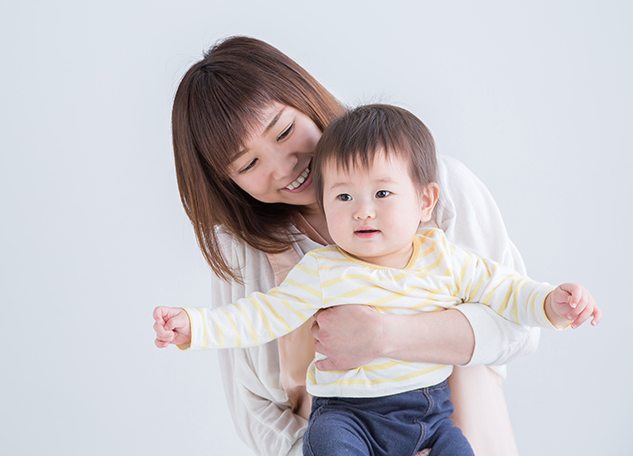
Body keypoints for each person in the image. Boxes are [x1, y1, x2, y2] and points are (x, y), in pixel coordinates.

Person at [166, 36, 549, 456]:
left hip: (456, 433)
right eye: (249, 164)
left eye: (285, 131)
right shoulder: (245, 249)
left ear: (306, 96)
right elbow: (255, 413)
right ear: (227, 181)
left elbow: (518, 326)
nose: (283, 166)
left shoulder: (433, 185)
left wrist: (386, 335)